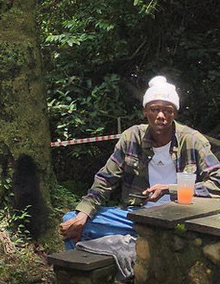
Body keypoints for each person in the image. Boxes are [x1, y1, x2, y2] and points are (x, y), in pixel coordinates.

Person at [60, 75, 220, 246]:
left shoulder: (192, 140)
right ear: (145, 111)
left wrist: (169, 189)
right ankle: (81, 269)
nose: (160, 115)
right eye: (154, 109)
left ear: (175, 113)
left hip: (181, 218)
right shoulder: (132, 137)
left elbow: (217, 182)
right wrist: (83, 213)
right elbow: (105, 179)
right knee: (72, 220)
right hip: (138, 218)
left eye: (167, 110)